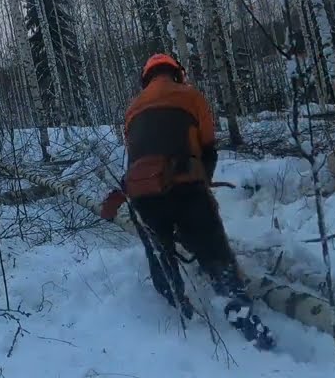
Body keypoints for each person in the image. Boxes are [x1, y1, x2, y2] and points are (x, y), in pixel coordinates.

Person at [101, 53, 273, 349]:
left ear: (147, 78)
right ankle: (243, 318)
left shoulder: (132, 108)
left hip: (143, 194)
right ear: (176, 73)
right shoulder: (190, 95)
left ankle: (179, 307)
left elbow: (134, 154)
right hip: (185, 187)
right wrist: (202, 182)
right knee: (213, 249)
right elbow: (208, 144)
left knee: (160, 253)